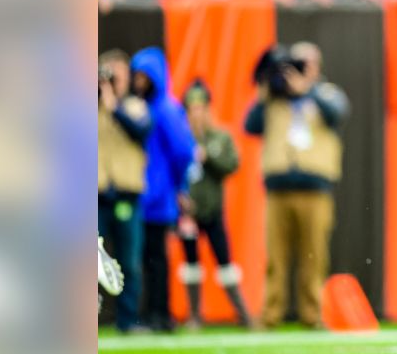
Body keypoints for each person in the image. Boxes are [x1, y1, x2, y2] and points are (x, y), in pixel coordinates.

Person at [245, 41, 348, 329]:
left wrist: (308, 88)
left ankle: (313, 315)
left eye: (306, 63)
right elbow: (250, 125)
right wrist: (266, 89)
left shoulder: (326, 94)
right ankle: (270, 314)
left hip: (315, 187)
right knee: (275, 257)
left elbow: (338, 114)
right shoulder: (275, 98)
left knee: (314, 256)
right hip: (278, 187)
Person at [131, 48, 197, 332]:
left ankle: (161, 315)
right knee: (146, 258)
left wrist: (178, 186)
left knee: (156, 258)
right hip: (142, 194)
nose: (140, 82)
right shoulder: (142, 107)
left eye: (145, 76)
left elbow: (184, 151)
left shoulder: (166, 109)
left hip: (158, 197)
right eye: (138, 76)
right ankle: (150, 313)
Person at [178, 80, 251, 329]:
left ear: (208, 109)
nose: (196, 113)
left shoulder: (219, 137)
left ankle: (244, 314)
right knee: (191, 263)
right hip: (187, 210)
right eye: (192, 108)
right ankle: (194, 316)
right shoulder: (180, 137)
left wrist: (208, 158)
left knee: (224, 261)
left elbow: (231, 165)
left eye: (201, 107)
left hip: (212, 208)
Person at [97, 50, 150, 333]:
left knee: (129, 261)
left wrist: (113, 104)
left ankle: (127, 321)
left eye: (117, 75)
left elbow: (140, 131)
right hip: (96, 196)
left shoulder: (134, 106)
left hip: (127, 194)